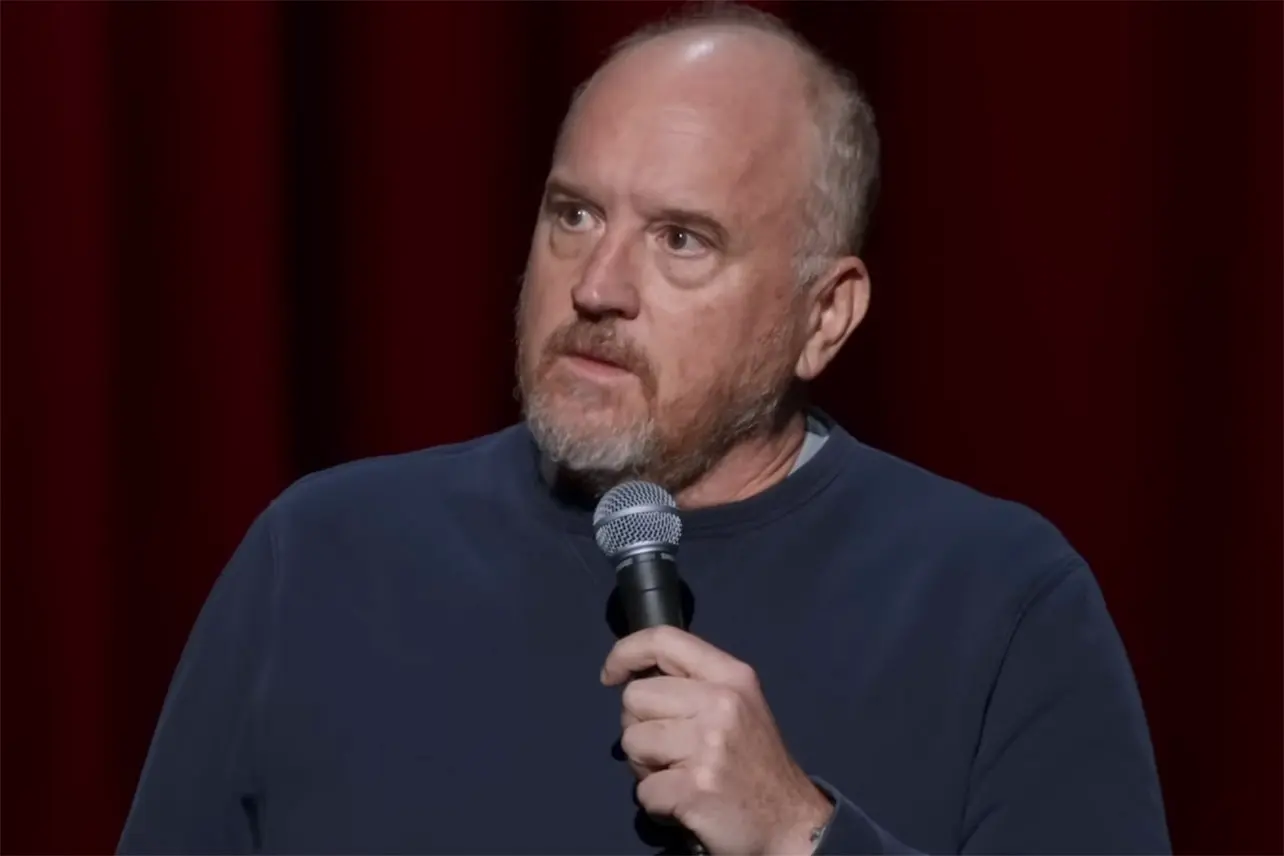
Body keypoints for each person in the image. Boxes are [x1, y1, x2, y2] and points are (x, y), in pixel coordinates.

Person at [118, 5, 1170, 855]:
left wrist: (799, 835)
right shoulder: (320, 557)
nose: (598, 285)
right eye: (573, 215)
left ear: (824, 316)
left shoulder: (1000, 604)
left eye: (682, 239)